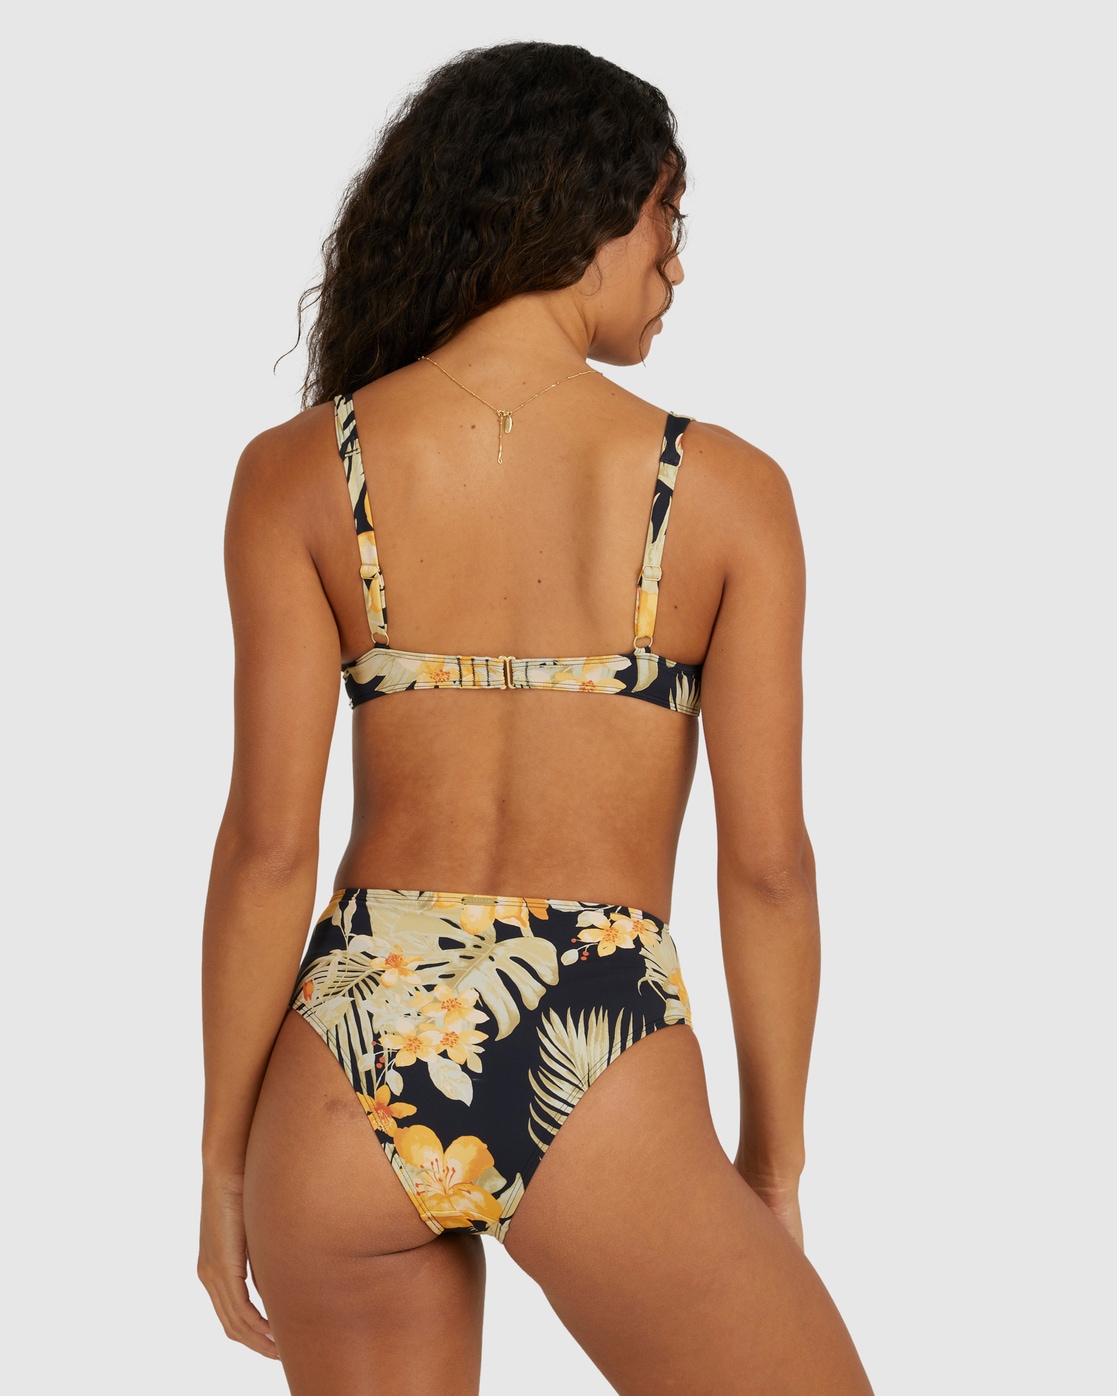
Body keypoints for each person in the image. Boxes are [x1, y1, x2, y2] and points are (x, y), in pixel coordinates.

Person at [198, 40, 874, 1396]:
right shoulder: (724, 491)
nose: (674, 265)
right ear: (585, 207)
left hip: (351, 1042)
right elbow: (767, 870)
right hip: (587, 1029)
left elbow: (268, 851)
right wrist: (770, 1165)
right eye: (667, 217)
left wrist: (223, 1163)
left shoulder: (299, 472)